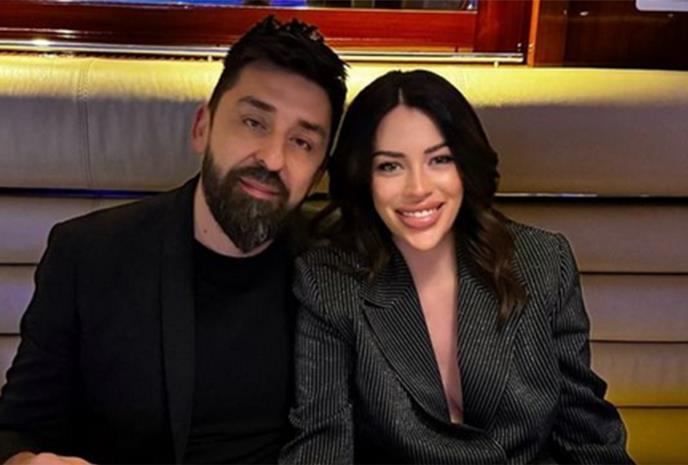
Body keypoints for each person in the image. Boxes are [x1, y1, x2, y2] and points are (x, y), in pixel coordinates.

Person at [0, 15, 346, 465]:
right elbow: (16, 429)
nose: (273, 158)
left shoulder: (338, 267)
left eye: (302, 142)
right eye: (253, 122)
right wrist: (28, 462)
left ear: (318, 175)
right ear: (203, 127)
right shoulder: (88, 254)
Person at [280, 70, 634, 464]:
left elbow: (585, 431)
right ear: (362, 175)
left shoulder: (544, 261)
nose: (418, 188)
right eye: (390, 166)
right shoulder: (328, 282)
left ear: (465, 164)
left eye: (440, 159)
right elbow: (321, 442)